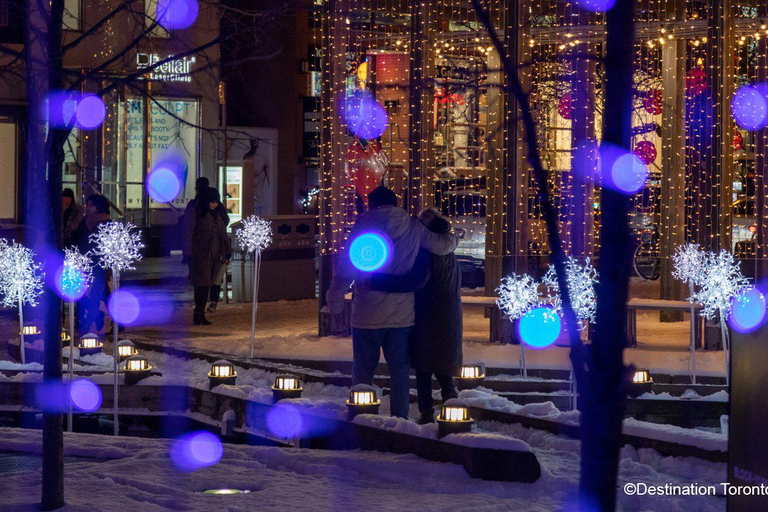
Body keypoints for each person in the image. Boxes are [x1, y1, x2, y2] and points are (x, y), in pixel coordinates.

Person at [326, 187, 458, 419]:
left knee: (363, 371)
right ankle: (400, 419)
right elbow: (441, 245)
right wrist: (454, 237)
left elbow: (344, 270)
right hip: (401, 316)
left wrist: (335, 304)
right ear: (395, 203)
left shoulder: (361, 227)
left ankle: (361, 416)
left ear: (371, 204)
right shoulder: (413, 226)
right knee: (399, 371)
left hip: (365, 315)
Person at [370, 209, 462, 424]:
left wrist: (378, 281)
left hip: (427, 314)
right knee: (441, 360)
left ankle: (427, 411)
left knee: (423, 364)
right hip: (448, 314)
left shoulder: (426, 251)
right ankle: (451, 401)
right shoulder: (449, 248)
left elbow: (415, 281)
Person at [182, 187, 231, 325]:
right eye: (212, 201)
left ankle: (199, 313)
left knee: (206, 284)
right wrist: (187, 253)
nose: (214, 204)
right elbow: (188, 232)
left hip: (214, 253)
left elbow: (222, 232)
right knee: (202, 284)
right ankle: (199, 313)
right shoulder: (195, 211)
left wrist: (227, 250)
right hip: (199, 253)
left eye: (216, 202)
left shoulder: (217, 213)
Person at [74, 194, 111, 334]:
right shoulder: (83, 222)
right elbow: (78, 240)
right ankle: (96, 319)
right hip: (83, 263)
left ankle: (86, 322)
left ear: (97, 207)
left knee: (96, 293)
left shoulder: (105, 222)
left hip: (99, 266)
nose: (87, 208)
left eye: (90, 205)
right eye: (87, 205)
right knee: (91, 293)